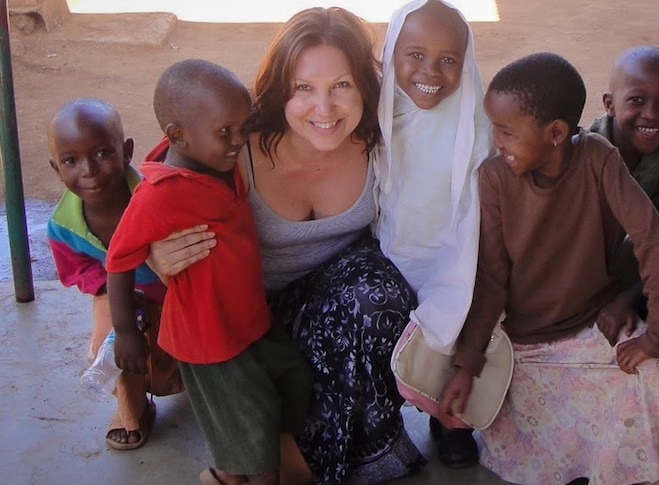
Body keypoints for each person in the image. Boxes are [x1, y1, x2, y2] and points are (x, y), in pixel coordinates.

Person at [145, 9, 425, 485]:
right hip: (244, 317)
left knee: (380, 296)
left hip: (329, 309)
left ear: (364, 85)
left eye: (341, 85)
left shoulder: (382, 141)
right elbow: (152, 189)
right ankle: (272, 457)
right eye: (304, 88)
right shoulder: (234, 143)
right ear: (280, 89)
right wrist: (155, 252)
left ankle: (299, 455)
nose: (325, 108)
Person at [438, 52, 659, 485]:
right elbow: (492, 279)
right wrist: (467, 362)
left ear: (555, 133)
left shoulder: (597, 158)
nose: (497, 142)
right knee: (535, 427)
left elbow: (655, 238)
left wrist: (658, 336)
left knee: (657, 376)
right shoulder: (492, 179)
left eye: (507, 132)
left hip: (590, 329)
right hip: (525, 349)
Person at [105, 59, 312, 485]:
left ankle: (228, 469)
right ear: (177, 135)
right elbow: (119, 258)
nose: (240, 140)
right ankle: (246, 470)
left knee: (294, 380)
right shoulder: (159, 197)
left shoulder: (217, 160)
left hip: (250, 321)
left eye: (243, 125)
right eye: (226, 132)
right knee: (257, 443)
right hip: (211, 340)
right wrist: (126, 332)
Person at [375, 0, 493, 468]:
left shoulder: (476, 119)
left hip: (455, 252)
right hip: (390, 249)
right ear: (389, 53)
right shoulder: (375, 110)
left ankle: (449, 421)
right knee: (386, 325)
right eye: (415, 54)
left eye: (449, 59)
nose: (432, 71)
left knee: (456, 320)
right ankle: (382, 418)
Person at [45, 97, 180, 451]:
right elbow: (76, 269)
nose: (88, 170)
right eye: (70, 161)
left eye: (103, 153)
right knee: (114, 344)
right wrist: (109, 290)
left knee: (184, 351)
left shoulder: (155, 197)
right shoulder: (63, 225)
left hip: (171, 287)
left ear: (127, 151)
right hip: (113, 291)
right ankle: (131, 412)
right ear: (55, 168)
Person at [588, 45, 659, 256]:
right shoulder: (585, 153)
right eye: (637, 100)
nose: (652, 114)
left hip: (634, 250)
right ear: (610, 104)